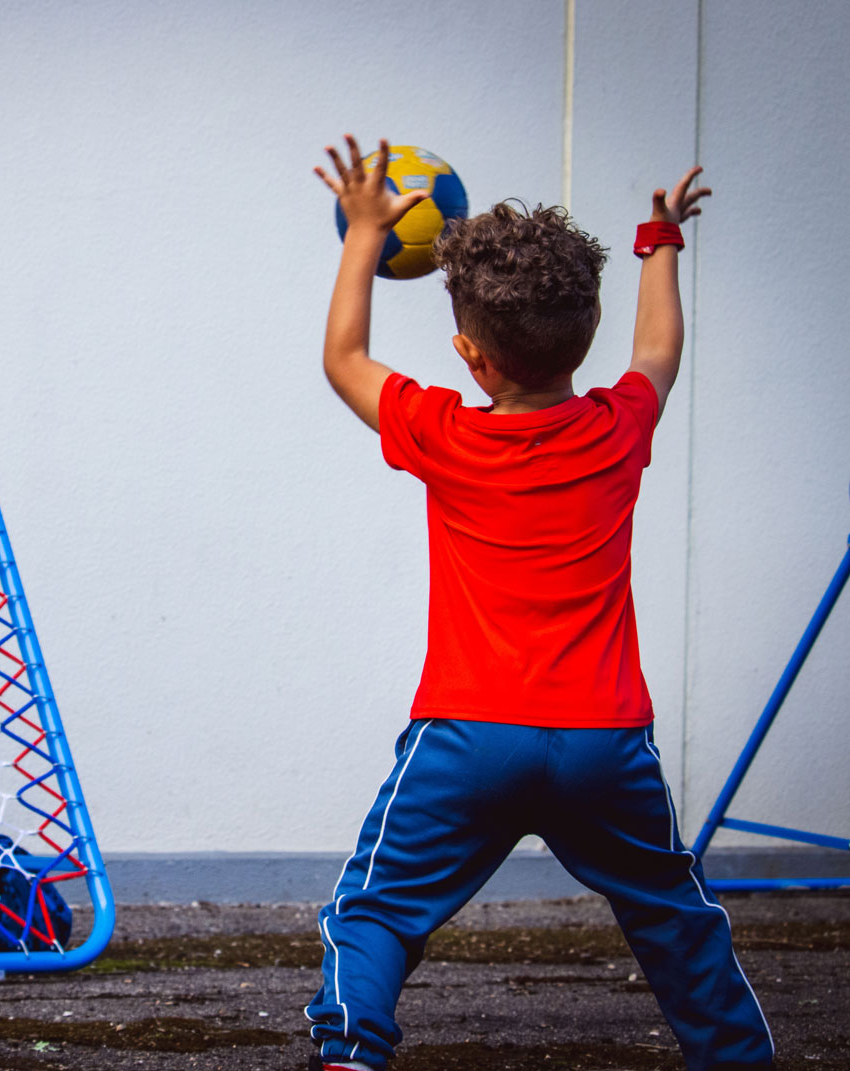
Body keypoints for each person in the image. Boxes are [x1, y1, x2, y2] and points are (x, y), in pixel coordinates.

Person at [303, 136, 773, 1071]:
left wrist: (363, 234)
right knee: (675, 914)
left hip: (467, 737)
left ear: (470, 358)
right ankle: (736, 1059)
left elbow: (343, 356)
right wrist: (660, 240)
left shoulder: (441, 431)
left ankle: (351, 1053)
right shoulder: (618, 425)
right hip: (604, 739)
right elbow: (659, 349)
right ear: (586, 329)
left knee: (375, 910)